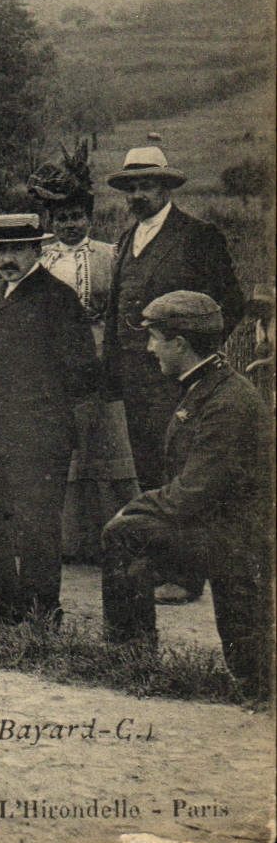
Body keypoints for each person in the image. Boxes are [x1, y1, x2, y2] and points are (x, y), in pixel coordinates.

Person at [102, 292, 271, 698]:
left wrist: (135, 505)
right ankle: (132, 661)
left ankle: (132, 661)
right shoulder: (209, 385)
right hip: (225, 531)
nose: (149, 348)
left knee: (124, 531)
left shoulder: (226, 400)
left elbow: (191, 493)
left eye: (155, 338)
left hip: (240, 541)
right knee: (130, 532)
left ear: (179, 343)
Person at [102, 146, 244, 605]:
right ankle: (159, 563)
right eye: (131, 188)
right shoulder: (127, 239)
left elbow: (230, 303)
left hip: (175, 377)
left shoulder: (197, 235)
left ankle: (187, 575)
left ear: (166, 188)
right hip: (133, 373)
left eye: (146, 186)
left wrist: (196, 356)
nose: (137, 195)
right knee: (148, 466)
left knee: (183, 471)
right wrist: (111, 369)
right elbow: (114, 309)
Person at [0, 214, 100, 621]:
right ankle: (3, 597)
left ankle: (41, 608)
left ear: (37, 251)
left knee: (36, 524)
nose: (7, 258)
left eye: (17, 250)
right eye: (1, 249)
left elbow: (82, 372)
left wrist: (51, 419)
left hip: (39, 433)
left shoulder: (58, 298)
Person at [28, 161, 138, 564]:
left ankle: (109, 538)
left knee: (104, 436)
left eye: (77, 217)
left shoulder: (110, 255)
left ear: (89, 218)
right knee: (66, 436)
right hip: (56, 354)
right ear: (51, 220)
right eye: (62, 218)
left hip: (100, 349)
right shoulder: (42, 258)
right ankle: (68, 540)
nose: (71, 225)